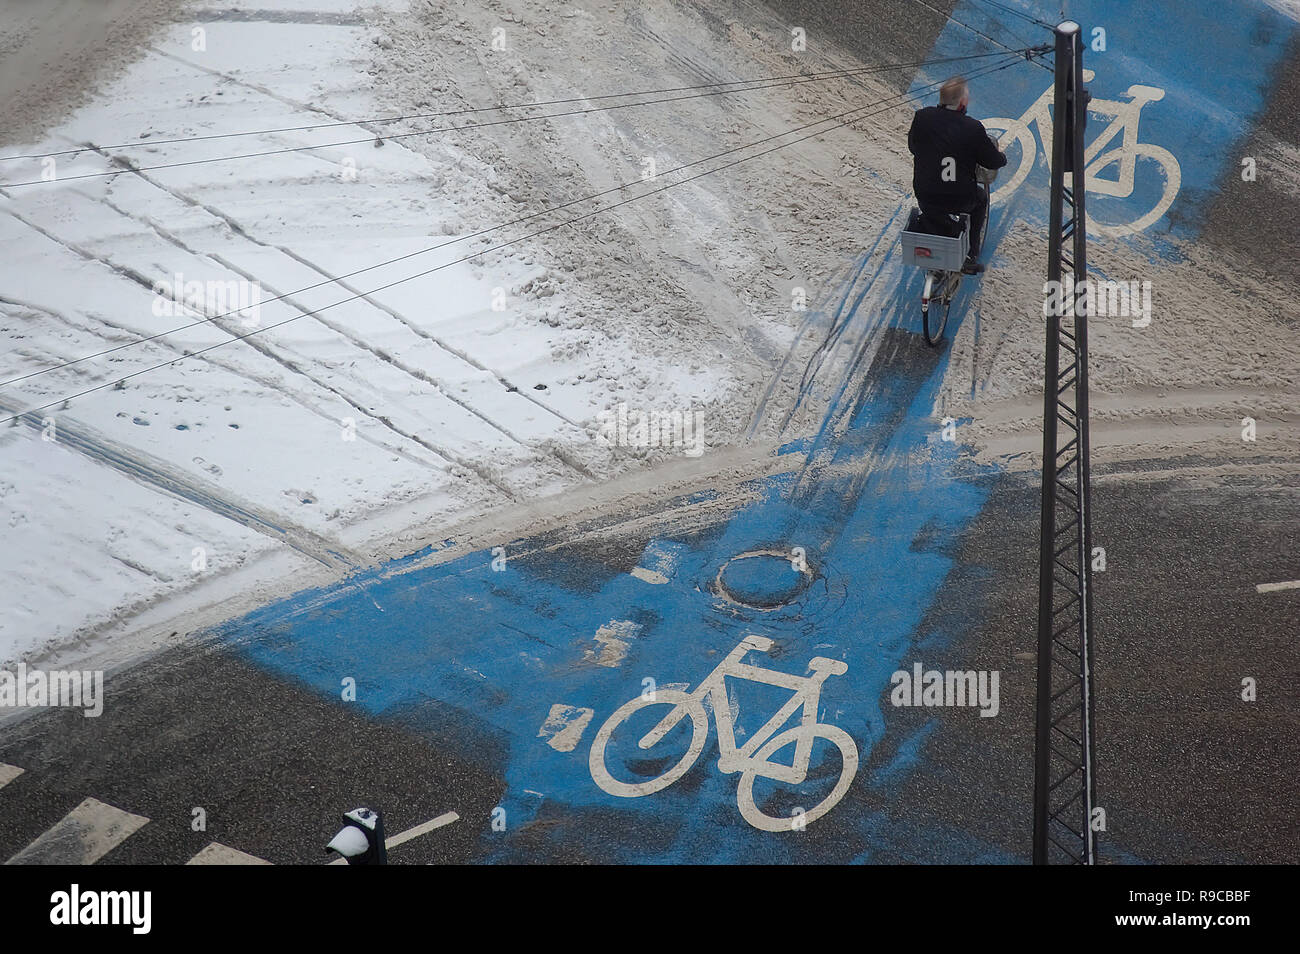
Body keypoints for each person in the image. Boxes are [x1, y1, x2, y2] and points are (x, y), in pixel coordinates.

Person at [907, 76, 1007, 274]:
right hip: (959, 197)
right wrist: (1001, 156)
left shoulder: (922, 117)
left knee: (933, 207)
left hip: (925, 192)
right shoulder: (972, 128)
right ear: (962, 102)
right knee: (980, 200)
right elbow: (993, 161)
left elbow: (913, 147)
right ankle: (970, 254)